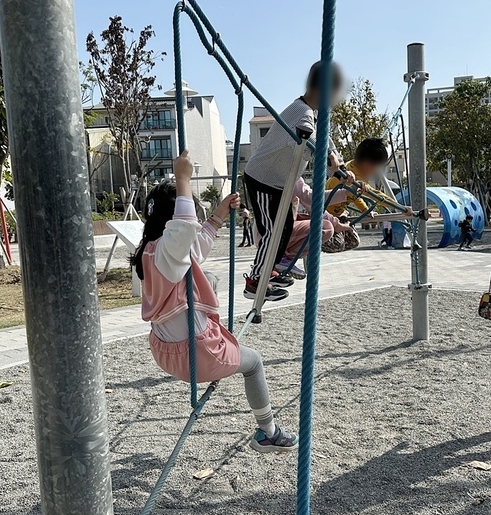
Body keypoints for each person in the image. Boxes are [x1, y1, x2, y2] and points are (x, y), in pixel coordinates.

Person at [131, 150, 298, 453]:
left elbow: (194, 244)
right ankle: (268, 432)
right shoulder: (172, 249)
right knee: (254, 363)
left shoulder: (150, 251)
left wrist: (218, 215)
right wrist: (183, 178)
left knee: (202, 275)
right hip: (196, 355)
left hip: (164, 351)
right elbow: (184, 230)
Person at [242, 61, 347, 302]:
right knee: (274, 231)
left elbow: (325, 139)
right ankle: (256, 280)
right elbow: (307, 136)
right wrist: (329, 159)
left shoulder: (312, 113)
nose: (334, 100)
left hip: (277, 182)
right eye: (334, 94)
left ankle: (270, 271)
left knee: (284, 227)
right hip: (263, 178)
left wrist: (338, 164)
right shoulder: (302, 112)